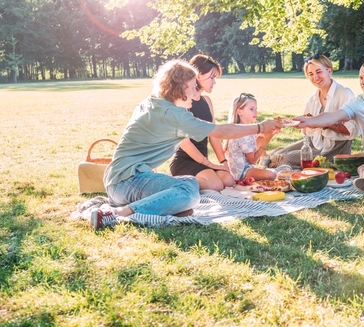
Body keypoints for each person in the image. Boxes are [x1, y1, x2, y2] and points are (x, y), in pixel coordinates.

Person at [89, 59, 282, 229]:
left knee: (189, 181)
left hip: (117, 181)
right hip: (127, 182)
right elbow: (222, 131)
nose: (195, 91)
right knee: (189, 193)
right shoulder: (175, 115)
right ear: (180, 87)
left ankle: (164, 208)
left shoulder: (152, 102)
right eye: (192, 86)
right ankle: (120, 213)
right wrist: (259, 128)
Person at [269, 54, 359, 169]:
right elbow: (308, 129)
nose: (315, 77)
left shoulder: (344, 93)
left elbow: (351, 131)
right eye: (311, 74)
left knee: (284, 159)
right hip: (314, 143)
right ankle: (272, 164)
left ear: (329, 71)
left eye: (319, 72)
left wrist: (318, 122)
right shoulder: (313, 98)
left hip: (334, 148)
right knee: (276, 154)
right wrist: (302, 123)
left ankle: (292, 168)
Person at [169, 54, 234, 192]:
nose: (214, 82)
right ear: (198, 75)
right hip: (184, 161)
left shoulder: (206, 101)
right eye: (211, 77)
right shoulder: (184, 102)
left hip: (203, 160)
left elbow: (214, 135)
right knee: (216, 185)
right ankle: (171, 183)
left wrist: (223, 162)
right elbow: (183, 141)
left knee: (228, 180)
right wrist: (207, 163)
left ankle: (204, 177)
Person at [224, 93, 280, 181]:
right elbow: (253, 160)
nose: (256, 112)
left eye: (256, 109)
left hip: (245, 169)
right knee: (272, 175)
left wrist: (270, 131)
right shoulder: (242, 133)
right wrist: (267, 140)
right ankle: (263, 164)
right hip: (241, 173)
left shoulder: (244, 128)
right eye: (251, 109)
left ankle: (263, 162)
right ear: (239, 112)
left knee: (260, 137)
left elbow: (260, 135)